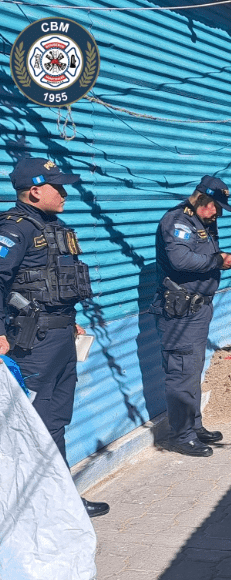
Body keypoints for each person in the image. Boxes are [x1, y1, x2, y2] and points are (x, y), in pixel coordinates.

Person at [0, 157, 109, 517]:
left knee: (56, 422)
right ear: (34, 191)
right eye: (57, 187)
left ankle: (60, 502)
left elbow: (53, 284)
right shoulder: (16, 229)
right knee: (29, 423)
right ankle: (26, 509)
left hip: (60, 336)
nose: (64, 193)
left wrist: (68, 320)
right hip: (33, 344)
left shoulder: (54, 225)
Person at [152, 176, 231, 458]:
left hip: (199, 308)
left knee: (192, 371)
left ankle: (194, 426)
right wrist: (219, 260)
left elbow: (205, 254)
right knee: (181, 372)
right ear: (201, 199)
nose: (217, 213)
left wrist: (222, 256)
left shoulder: (203, 223)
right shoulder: (177, 221)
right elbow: (181, 260)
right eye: (215, 206)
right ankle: (181, 435)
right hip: (181, 312)